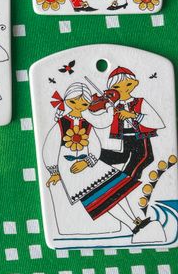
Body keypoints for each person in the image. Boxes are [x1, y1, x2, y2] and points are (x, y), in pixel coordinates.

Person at [44, 83, 164, 241]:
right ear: (67, 101)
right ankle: (132, 225)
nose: (79, 106)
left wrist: (87, 162)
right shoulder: (60, 123)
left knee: (115, 191)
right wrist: (54, 172)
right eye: (73, 102)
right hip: (70, 170)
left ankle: (136, 221)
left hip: (90, 165)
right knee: (102, 201)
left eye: (83, 104)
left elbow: (95, 146)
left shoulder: (88, 123)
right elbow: (50, 148)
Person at [91, 66, 165, 180]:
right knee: (122, 157)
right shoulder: (112, 105)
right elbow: (103, 122)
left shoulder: (140, 102)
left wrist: (133, 115)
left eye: (128, 84)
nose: (123, 89)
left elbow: (158, 122)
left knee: (145, 157)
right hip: (123, 138)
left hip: (139, 137)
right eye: (117, 87)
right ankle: (95, 155)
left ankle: (125, 180)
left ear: (135, 83)